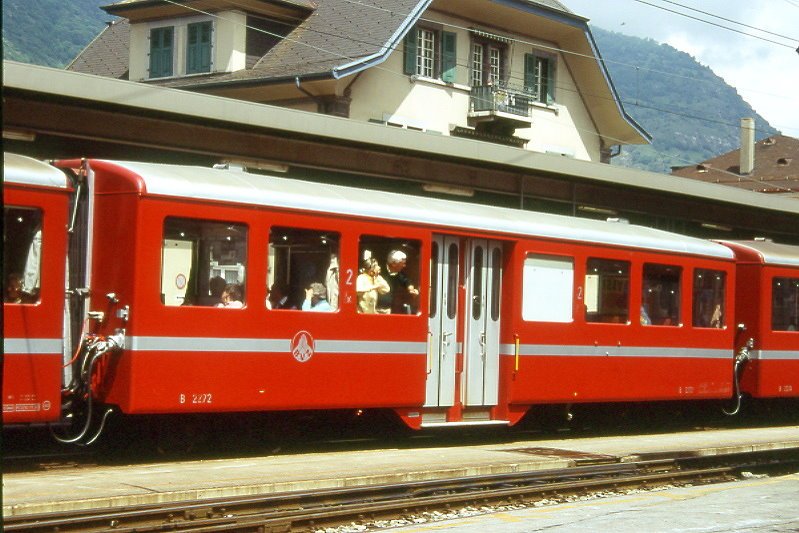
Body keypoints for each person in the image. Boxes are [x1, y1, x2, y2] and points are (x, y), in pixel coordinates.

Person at [378, 250, 419, 314]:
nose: (404, 266)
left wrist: (411, 289)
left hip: (391, 309)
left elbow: (406, 280)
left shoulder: (399, 273)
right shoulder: (379, 270)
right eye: (402, 263)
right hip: (377, 308)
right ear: (394, 264)